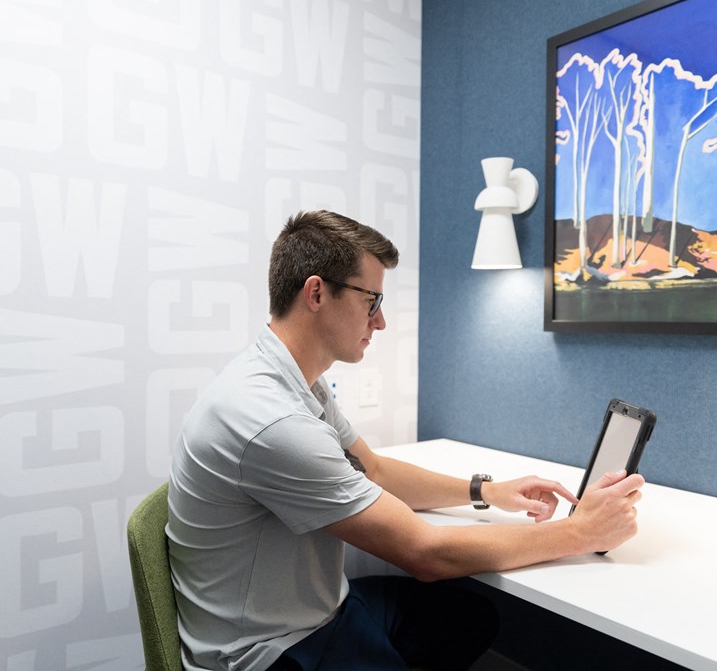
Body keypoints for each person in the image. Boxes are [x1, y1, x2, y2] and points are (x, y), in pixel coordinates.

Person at [166, 210, 645, 671]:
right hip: (273, 652)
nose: (381, 321)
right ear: (316, 293)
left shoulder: (293, 379)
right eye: (370, 300)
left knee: (471, 620)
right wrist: (581, 533)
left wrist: (486, 491)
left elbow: (372, 469)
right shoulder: (271, 420)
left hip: (318, 611)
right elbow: (426, 555)